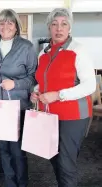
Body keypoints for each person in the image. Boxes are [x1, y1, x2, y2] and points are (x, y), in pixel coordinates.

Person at [31, 8, 96, 187]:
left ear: (70, 28)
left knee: (66, 163)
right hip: (49, 115)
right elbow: (42, 80)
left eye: (64, 24)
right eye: (54, 24)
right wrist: (36, 91)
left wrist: (59, 95)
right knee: (53, 156)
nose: (59, 28)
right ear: (49, 28)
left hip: (74, 116)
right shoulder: (43, 53)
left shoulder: (78, 50)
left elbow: (90, 85)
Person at [0, 9, 37, 187]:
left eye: (10, 22)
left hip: (17, 107)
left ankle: (22, 183)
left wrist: (14, 84)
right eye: (2, 22)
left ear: (16, 26)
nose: (5, 26)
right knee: (2, 149)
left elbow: (33, 77)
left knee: (16, 150)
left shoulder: (26, 47)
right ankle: (10, 183)